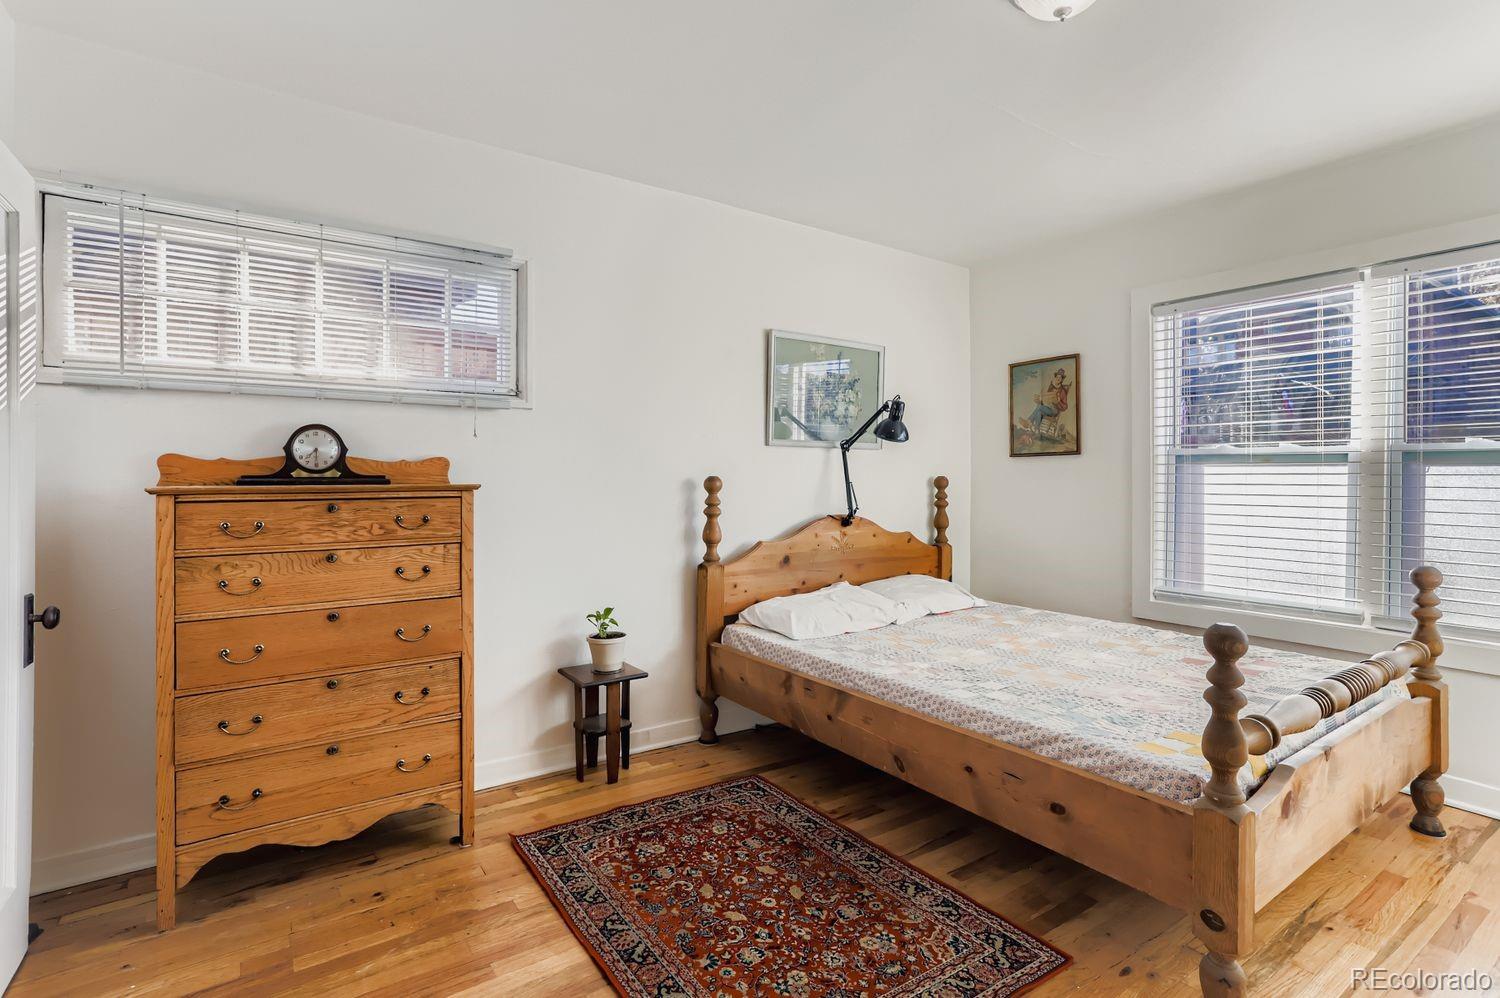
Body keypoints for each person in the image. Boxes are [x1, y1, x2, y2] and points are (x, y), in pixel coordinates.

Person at [1029, 367, 1072, 432]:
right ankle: (1037, 431)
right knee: (1039, 411)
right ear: (1055, 377)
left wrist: (1058, 401)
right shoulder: (1051, 387)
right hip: (1048, 407)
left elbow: (1065, 407)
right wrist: (1040, 400)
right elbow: (1047, 398)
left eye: (1060, 378)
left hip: (1054, 410)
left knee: (1039, 407)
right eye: (1057, 377)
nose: (1058, 379)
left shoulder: (1062, 391)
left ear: (1062, 380)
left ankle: (1029, 421)